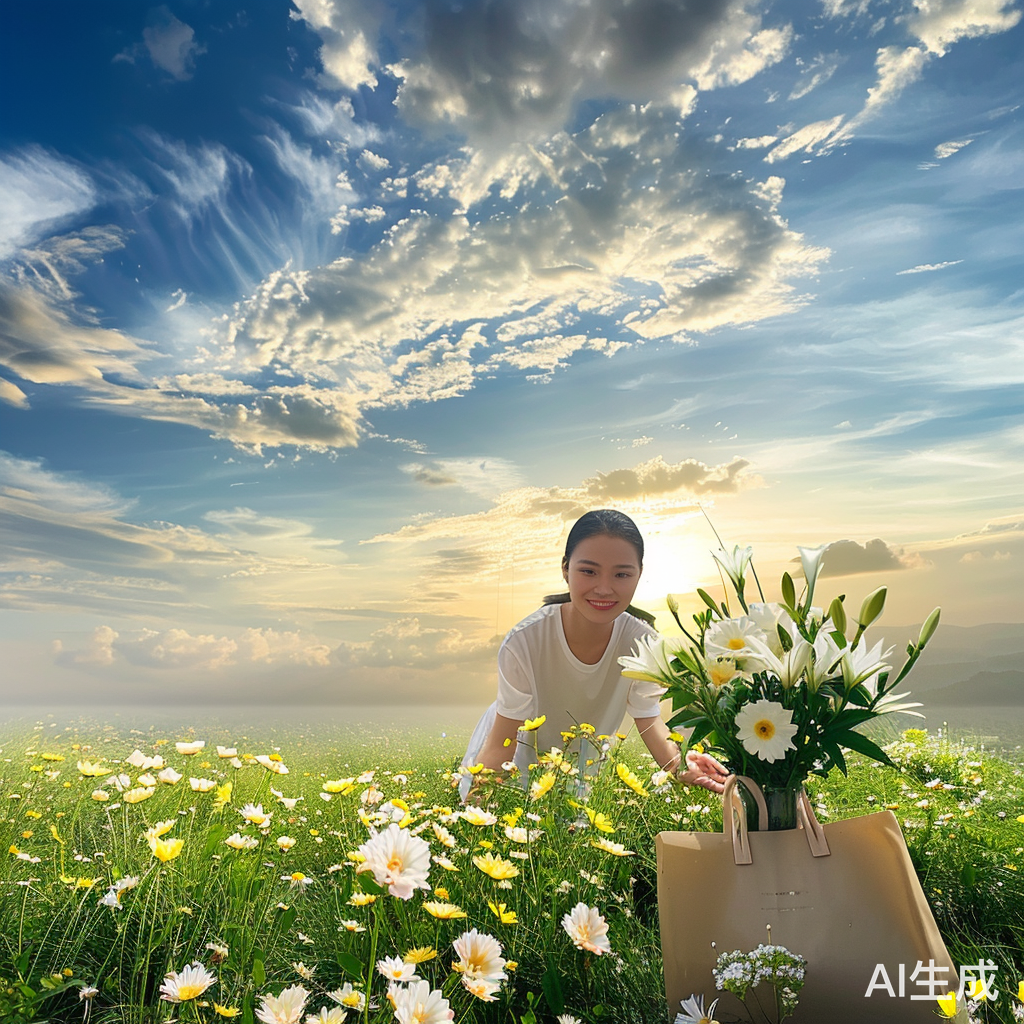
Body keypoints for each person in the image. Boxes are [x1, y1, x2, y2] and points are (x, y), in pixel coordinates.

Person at [460, 509, 729, 801]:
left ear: (639, 575)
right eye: (588, 571)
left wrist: (680, 764)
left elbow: (649, 721)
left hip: (581, 768)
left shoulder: (644, 643)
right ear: (565, 570)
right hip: (515, 761)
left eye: (621, 574)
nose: (604, 588)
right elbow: (503, 742)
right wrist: (475, 808)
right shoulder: (525, 641)